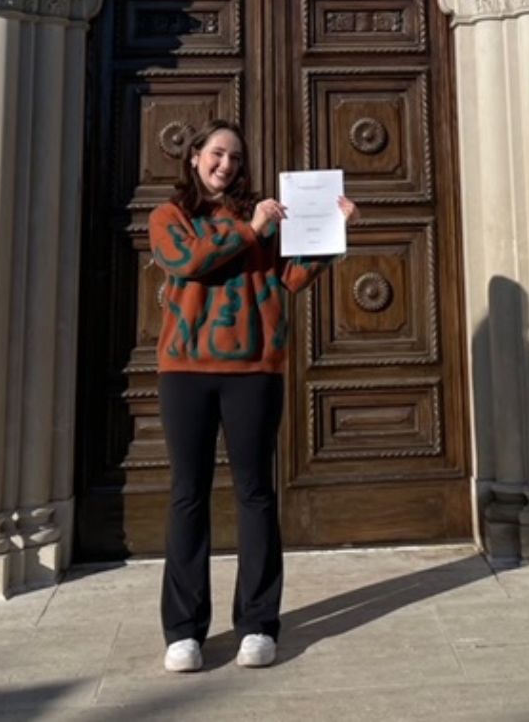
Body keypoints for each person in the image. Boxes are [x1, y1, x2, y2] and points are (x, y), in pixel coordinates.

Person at [148, 119, 358, 673]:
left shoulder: (260, 218)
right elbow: (189, 261)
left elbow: (289, 278)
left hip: (254, 370)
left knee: (255, 495)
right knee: (188, 495)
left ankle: (259, 625)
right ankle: (184, 631)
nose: (227, 165)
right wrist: (253, 230)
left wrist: (332, 236)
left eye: (236, 159)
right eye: (217, 154)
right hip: (185, 371)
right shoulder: (169, 216)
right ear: (194, 156)